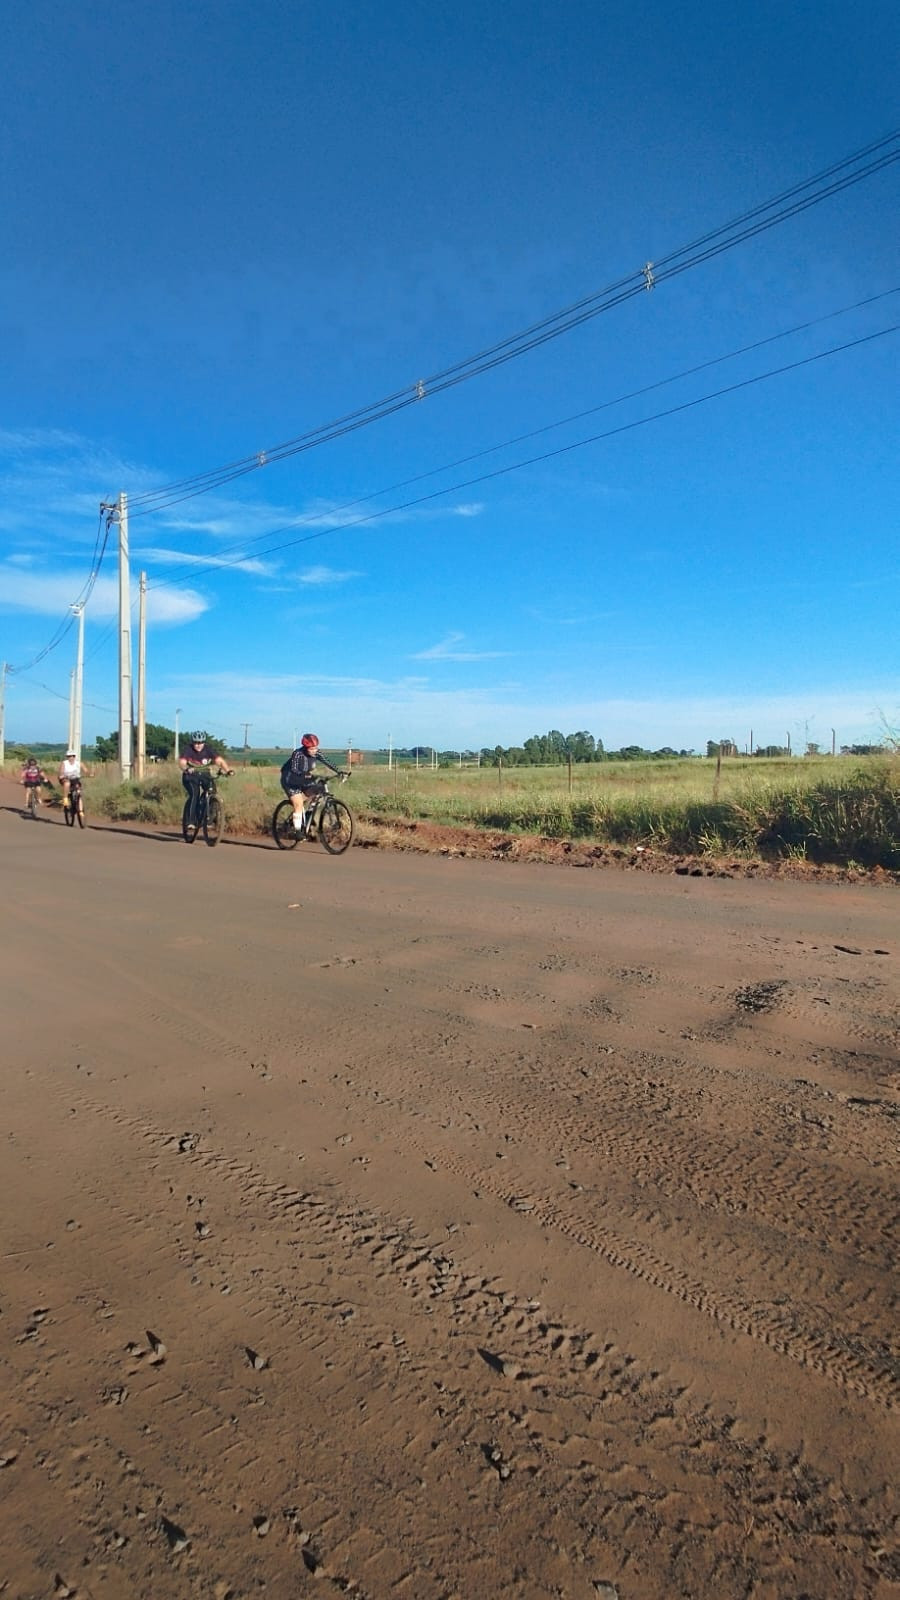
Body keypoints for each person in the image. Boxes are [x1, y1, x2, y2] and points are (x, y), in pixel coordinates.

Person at [280, 733, 340, 832]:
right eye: (311, 749)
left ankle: (308, 815)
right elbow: (295, 769)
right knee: (298, 804)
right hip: (290, 779)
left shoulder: (317, 752)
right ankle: (297, 831)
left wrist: (339, 771)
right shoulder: (298, 753)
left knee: (319, 790)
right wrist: (305, 774)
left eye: (315, 748)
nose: (314, 751)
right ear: (305, 747)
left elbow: (327, 761)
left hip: (304, 779)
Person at [178, 732, 232, 829]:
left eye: (201, 742)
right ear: (193, 742)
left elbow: (219, 761)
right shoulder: (188, 750)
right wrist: (186, 768)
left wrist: (227, 770)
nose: (198, 745)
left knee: (212, 792)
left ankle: (209, 819)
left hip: (205, 775)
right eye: (196, 743)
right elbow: (182, 763)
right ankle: (191, 820)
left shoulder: (208, 749)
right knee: (195, 793)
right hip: (190, 776)